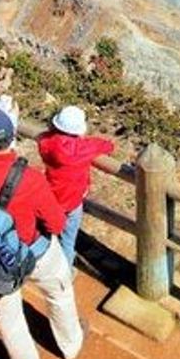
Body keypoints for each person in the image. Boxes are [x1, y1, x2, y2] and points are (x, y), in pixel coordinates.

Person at [0, 109, 83, 359]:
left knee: (8, 314)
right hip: (35, 252)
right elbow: (56, 223)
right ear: (12, 137)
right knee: (59, 293)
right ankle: (70, 345)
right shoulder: (30, 178)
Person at [37, 105, 115, 271]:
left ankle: (43, 265)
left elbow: (44, 136)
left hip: (50, 197)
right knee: (68, 238)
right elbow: (105, 146)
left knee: (47, 232)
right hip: (72, 201)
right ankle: (65, 270)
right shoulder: (81, 149)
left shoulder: (45, 142)